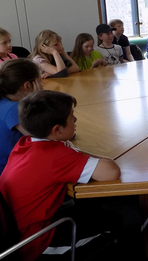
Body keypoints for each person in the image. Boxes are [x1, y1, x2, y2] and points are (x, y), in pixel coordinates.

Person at [0, 90, 121, 261]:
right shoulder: (54, 155)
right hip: (35, 243)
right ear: (57, 129)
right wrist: (71, 150)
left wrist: (68, 148)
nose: (76, 120)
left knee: (98, 214)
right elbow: (111, 171)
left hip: (16, 231)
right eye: (72, 117)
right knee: (113, 224)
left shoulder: (24, 144)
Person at [0, 59, 42, 174]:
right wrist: (38, 99)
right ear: (27, 86)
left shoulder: (4, 101)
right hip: (8, 174)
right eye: (40, 81)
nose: (42, 85)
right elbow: (46, 137)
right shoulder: (15, 109)